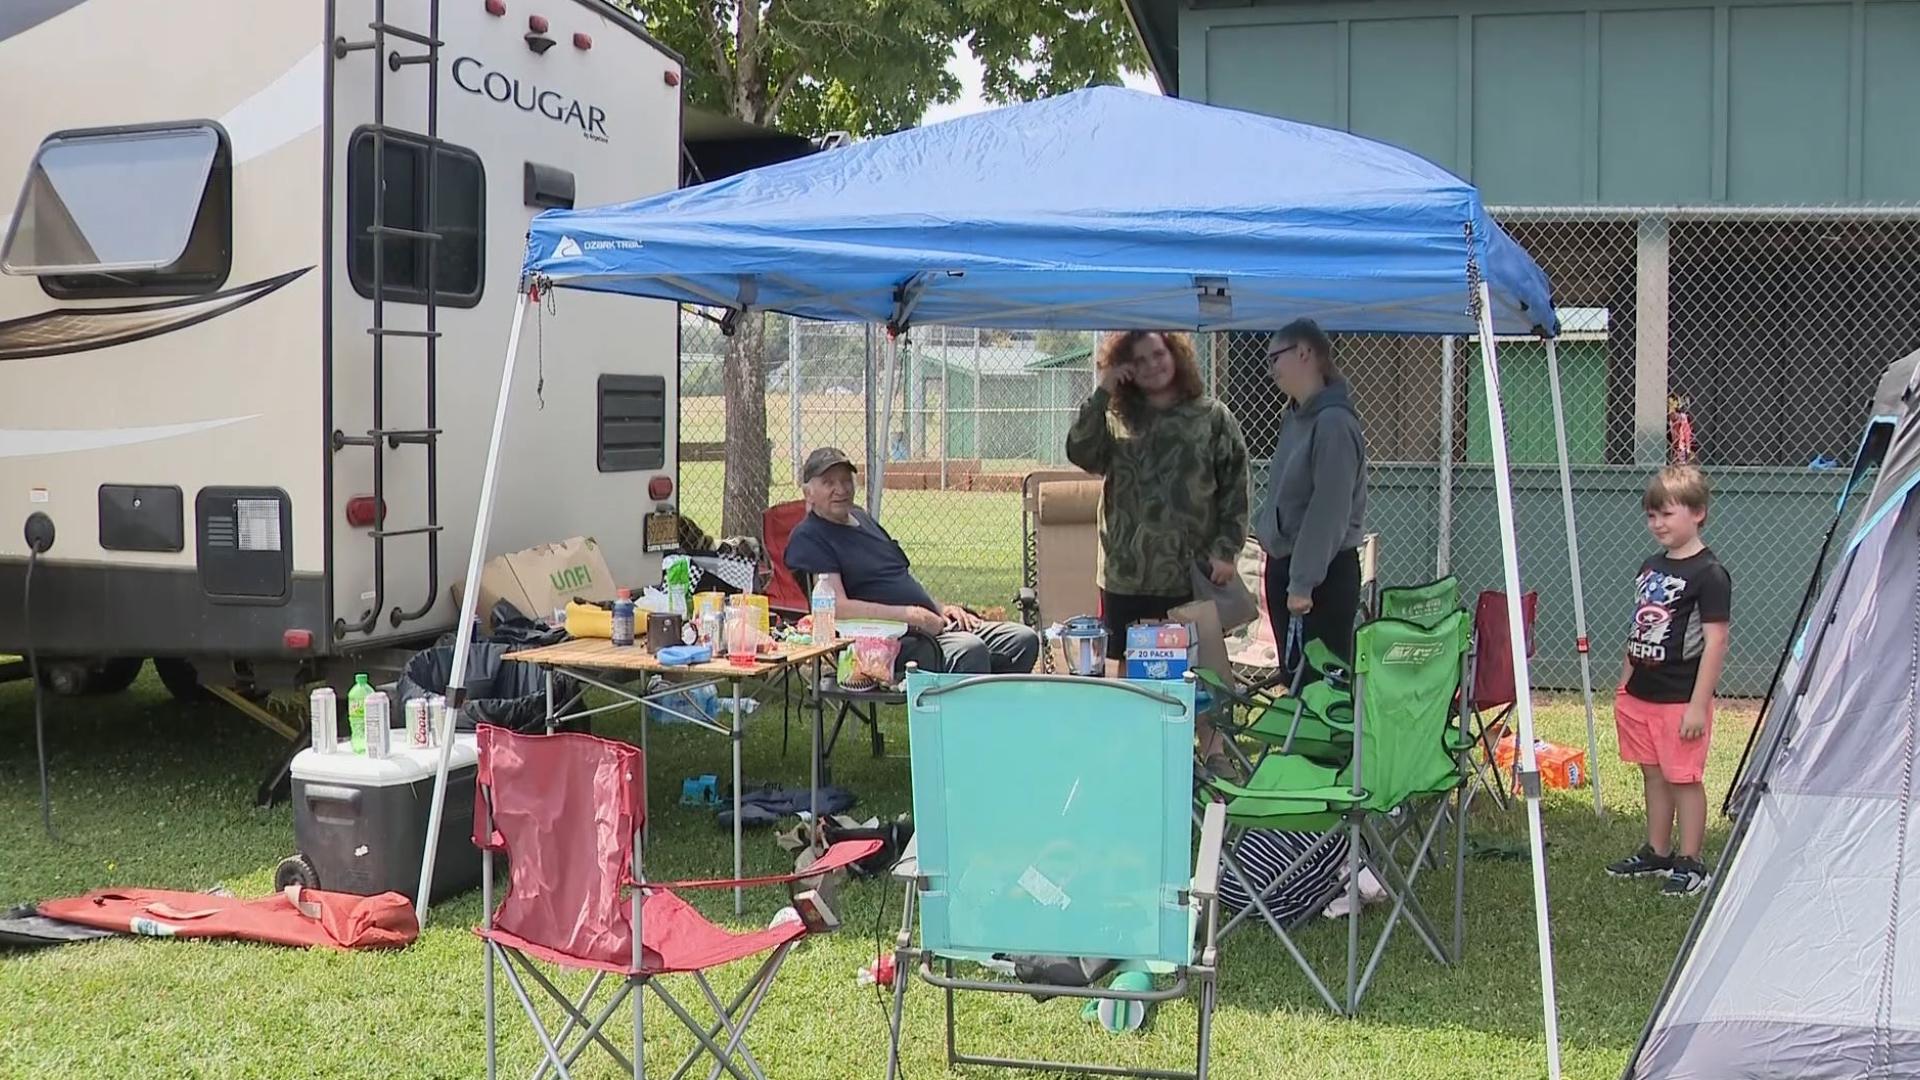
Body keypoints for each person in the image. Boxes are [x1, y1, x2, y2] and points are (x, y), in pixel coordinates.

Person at [1065, 330, 1250, 669]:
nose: (1152, 365)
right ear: (1126, 369)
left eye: (1158, 354)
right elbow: (1081, 452)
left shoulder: (1212, 418)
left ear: (1176, 355)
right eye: (1139, 360)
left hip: (1189, 573)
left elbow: (1235, 488)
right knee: (1130, 666)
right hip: (1126, 573)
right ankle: (1134, 724)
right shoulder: (1113, 420)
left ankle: (1198, 725)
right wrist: (1104, 390)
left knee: (1194, 669)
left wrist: (1227, 550)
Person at [783, 446, 1040, 676]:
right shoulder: (810, 536)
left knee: (1022, 640)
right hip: (884, 643)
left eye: (845, 480)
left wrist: (939, 608)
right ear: (809, 493)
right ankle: (961, 727)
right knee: (969, 650)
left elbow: (898, 577)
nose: (841, 490)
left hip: (929, 626)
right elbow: (836, 607)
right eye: (829, 483)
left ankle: (995, 720)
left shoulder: (862, 518)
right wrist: (910, 617)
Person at [1606, 465, 1731, 898]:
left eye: (1667, 514)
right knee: (1654, 776)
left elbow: (1715, 642)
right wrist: (1625, 685)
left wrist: (1698, 704)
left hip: (1681, 699)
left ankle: (1692, 861)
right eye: (1651, 516)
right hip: (1642, 695)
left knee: (1683, 779)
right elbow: (1639, 626)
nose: (1658, 524)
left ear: (1698, 513)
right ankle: (1657, 851)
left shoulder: (1710, 573)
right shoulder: (1650, 566)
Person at [1254, 318, 1367, 670]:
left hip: (1321, 578)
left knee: (1319, 692)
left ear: (1304, 353)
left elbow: (1328, 511)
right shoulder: (1294, 417)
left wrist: (1302, 582)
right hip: (1289, 568)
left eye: (1275, 358)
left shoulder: (1332, 423)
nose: (1270, 369)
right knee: (1295, 683)